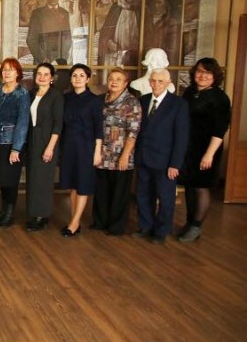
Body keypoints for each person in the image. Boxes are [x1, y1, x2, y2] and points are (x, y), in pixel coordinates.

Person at [177, 58, 231, 242]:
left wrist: (209, 154)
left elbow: (220, 130)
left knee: (201, 186)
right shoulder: (190, 92)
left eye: (208, 73)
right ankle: (189, 222)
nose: (203, 76)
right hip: (188, 147)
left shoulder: (220, 98)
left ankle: (196, 226)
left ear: (215, 76)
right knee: (189, 185)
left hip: (207, 148)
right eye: (200, 71)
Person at [134, 69, 189, 244]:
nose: (156, 84)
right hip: (143, 157)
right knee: (143, 195)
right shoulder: (143, 101)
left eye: (160, 81)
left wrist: (175, 164)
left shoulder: (178, 104)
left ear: (168, 83)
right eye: (153, 81)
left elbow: (181, 137)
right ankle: (145, 227)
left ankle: (161, 231)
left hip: (165, 161)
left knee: (165, 198)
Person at [93, 68, 142, 236]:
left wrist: (125, 155)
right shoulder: (101, 100)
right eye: (111, 78)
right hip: (102, 154)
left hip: (120, 154)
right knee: (102, 190)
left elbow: (133, 132)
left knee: (119, 192)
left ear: (125, 83)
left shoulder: (131, 103)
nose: (114, 82)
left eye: (118, 79)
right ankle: (100, 221)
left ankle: (116, 226)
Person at [58, 64, 103, 237]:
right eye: (74, 75)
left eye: (81, 75)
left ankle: (75, 222)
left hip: (86, 147)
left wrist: (97, 151)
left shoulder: (94, 100)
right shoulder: (66, 98)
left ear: (88, 79)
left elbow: (99, 128)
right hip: (68, 146)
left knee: (83, 184)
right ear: (70, 79)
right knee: (73, 185)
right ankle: (74, 220)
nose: (78, 78)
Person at [0, 58, 30, 228]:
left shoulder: (22, 93)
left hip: (11, 142)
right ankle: (3, 210)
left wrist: (16, 148)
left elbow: (23, 122)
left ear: (18, 73)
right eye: (4, 69)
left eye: (11, 70)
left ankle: (10, 214)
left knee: (11, 180)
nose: (7, 73)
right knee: (1, 178)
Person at [25, 62, 64, 232]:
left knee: (43, 180)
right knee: (33, 178)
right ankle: (34, 213)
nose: (42, 77)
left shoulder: (56, 96)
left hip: (47, 141)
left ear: (51, 78)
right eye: (39, 74)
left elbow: (58, 124)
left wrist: (50, 147)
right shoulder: (31, 94)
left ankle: (42, 215)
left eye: (46, 74)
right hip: (32, 140)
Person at [98, 0, 140, 70]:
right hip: (116, 57)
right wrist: (109, 42)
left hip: (135, 59)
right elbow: (105, 32)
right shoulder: (115, 8)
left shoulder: (141, 10)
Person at [26, 0, 71, 64]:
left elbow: (67, 38)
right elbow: (31, 39)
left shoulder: (65, 13)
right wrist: (43, 59)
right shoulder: (37, 13)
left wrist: (62, 59)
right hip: (42, 61)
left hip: (60, 62)